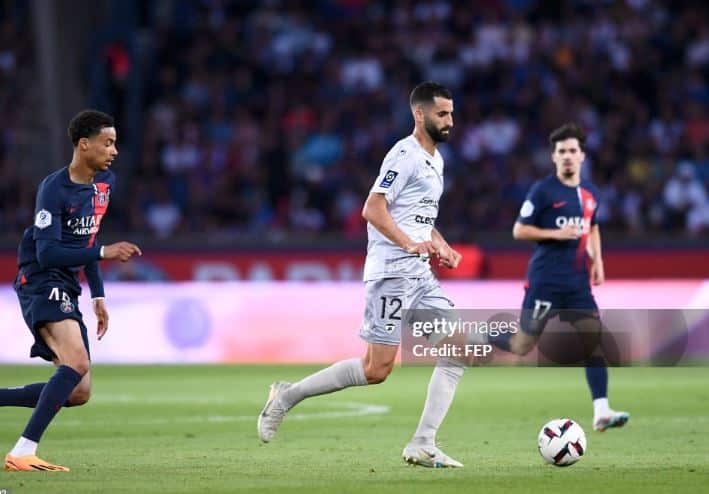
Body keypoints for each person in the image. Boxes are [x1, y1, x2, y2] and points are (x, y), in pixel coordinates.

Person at [258, 82, 469, 468]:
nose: (450, 121)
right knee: (376, 370)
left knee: (458, 346)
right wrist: (408, 243)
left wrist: (439, 243)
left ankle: (423, 442)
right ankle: (287, 396)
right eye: (442, 114)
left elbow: (419, 218)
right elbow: (373, 209)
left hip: (418, 274)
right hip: (391, 273)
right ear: (419, 115)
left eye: (452, 113)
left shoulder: (436, 161)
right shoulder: (402, 155)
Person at [1, 110, 142, 472]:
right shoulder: (54, 189)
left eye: (115, 143)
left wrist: (97, 295)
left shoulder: (104, 183)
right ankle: (22, 452)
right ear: (84, 145)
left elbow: (88, 238)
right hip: (41, 278)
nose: (114, 151)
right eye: (107, 143)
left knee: (78, 391)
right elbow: (48, 252)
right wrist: (104, 253)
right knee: (76, 364)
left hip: (66, 283)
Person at [489, 122, 629, 432]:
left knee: (594, 341)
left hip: (577, 282)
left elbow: (592, 226)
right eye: (561, 151)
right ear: (554, 157)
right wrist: (556, 233)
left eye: (572, 151)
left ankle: (601, 410)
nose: (567, 156)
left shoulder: (591, 193)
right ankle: (475, 338)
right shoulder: (543, 191)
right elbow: (519, 230)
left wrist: (598, 260)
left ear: (582, 156)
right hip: (545, 281)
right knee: (522, 344)